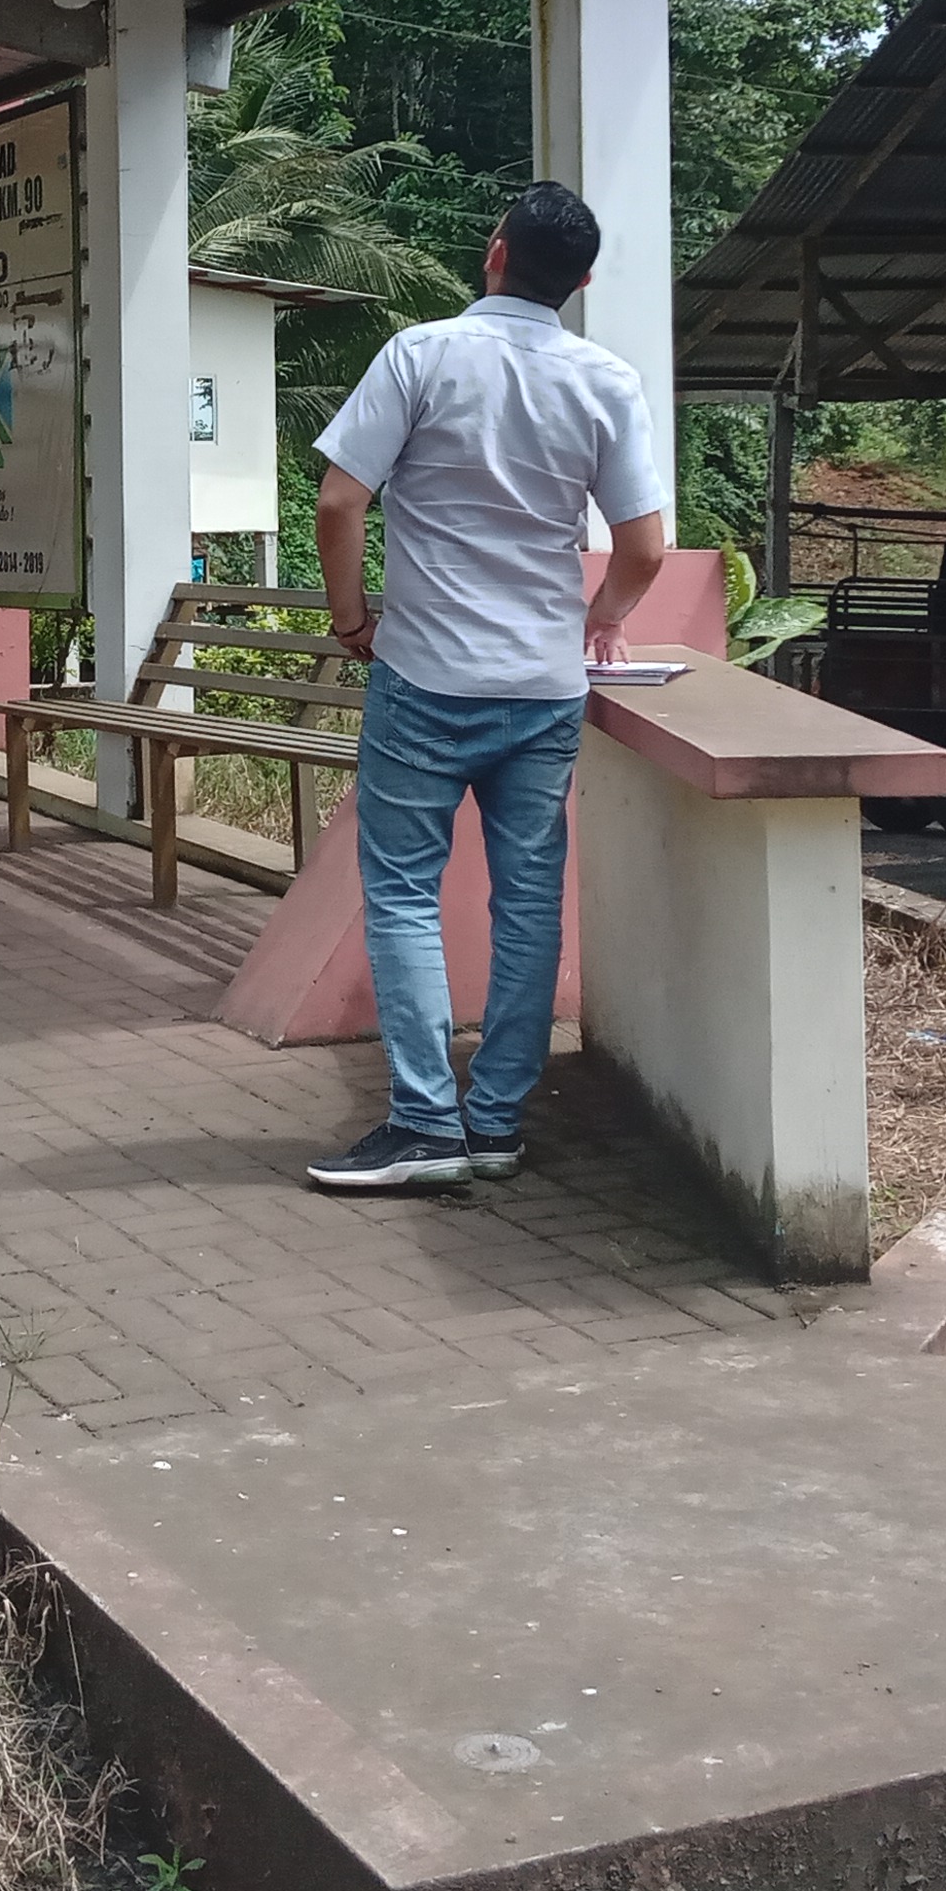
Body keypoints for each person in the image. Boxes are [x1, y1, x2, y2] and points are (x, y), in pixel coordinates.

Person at [302, 181, 666, 1194]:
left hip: (424, 675)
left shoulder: (419, 355)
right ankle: (496, 1122)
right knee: (529, 900)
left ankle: (425, 1123)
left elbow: (338, 502)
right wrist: (599, 619)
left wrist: (351, 621)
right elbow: (643, 546)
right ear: (582, 282)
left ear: (494, 252)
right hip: (544, 688)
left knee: (403, 895)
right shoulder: (606, 380)